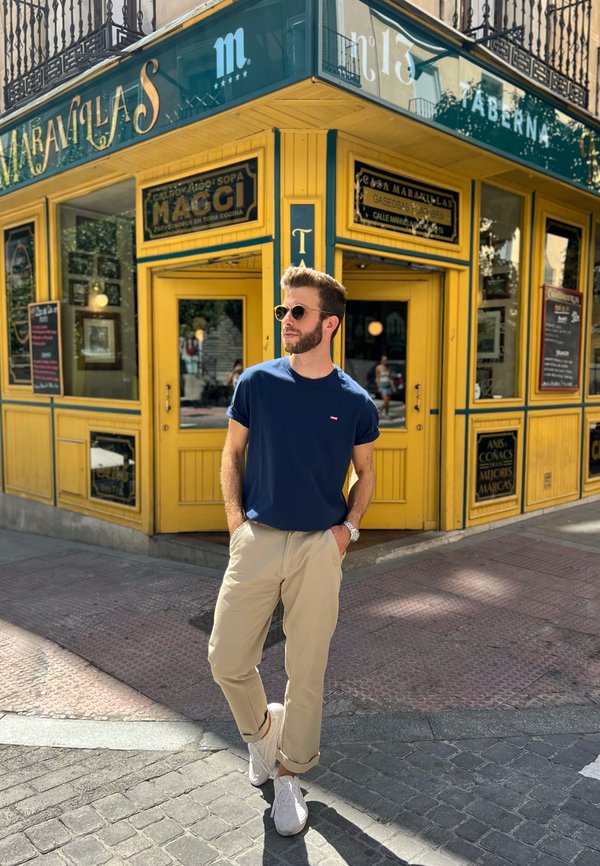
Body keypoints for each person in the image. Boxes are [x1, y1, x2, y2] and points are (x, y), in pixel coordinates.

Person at [208, 266, 379, 837]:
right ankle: (262, 738)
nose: (285, 319)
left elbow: (366, 473)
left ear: (329, 324)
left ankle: (289, 774)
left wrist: (347, 530)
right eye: (283, 309)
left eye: (297, 311)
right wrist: (236, 523)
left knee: (306, 672)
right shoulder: (256, 383)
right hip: (256, 539)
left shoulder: (354, 401)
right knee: (226, 659)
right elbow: (232, 454)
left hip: (318, 548)